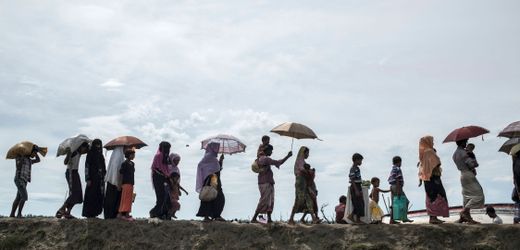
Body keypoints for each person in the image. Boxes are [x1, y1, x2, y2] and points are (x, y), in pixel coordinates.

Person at [251, 144, 292, 223]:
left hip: (265, 182)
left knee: (269, 200)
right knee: (265, 200)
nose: (272, 152)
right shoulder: (266, 159)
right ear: (267, 150)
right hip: (266, 182)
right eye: (271, 150)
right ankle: (254, 218)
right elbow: (278, 162)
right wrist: (288, 156)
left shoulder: (260, 158)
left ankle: (268, 219)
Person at [418, 136, 449, 224]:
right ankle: (433, 217)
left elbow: (422, 167)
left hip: (427, 179)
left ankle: (433, 217)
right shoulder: (429, 152)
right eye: (432, 141)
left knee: (431, 196)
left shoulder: (424, 153)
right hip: (433, 178)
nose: (433, 143)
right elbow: (436, 163)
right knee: (437, 196)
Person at [453, 139, 484, 224]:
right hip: (468, 174)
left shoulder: (455, 154)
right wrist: (472, 156)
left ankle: (465, 218)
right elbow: (473, 164)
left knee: (466, 196)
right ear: (462, 142)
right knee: (478, 195)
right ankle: (464, 211)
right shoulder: (464, 153)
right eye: (465, 142)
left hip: (462, 174)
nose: (466, 144)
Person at [56, 142, 89, 219]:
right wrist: (68, 154)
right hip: (70, 172)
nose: (85, 150)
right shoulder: (73, 152)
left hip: (75, 173)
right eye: (85, 148)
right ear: (81, 147)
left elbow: (87, 151)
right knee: (74, 193)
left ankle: (68, 212)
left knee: (78, 195)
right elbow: (65, 162)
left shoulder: (79, 152)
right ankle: (62, 209)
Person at [289, 147, 320, 224]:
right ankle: (291, 219)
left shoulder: (303, 161)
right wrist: (309, 171)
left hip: (304, 183)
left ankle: (314, 219)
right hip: (300, 183)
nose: (308, 155)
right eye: (307, 153)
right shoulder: (300, 161)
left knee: (308, 199)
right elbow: (302, 169)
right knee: (298, 200)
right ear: (304, 152)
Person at [196, 141, 226, 222]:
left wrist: (221, 160)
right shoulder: (210, 156)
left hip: (213, 178)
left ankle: (214, 215)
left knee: (213, 196)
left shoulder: (211, 157)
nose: (218, 149)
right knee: (214, 196)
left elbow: (217, 168)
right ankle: (214, 215)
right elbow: (212, 168)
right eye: (217, 147)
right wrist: (209, 174)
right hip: (212, 179)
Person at [10, 145, 41, 218]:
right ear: (30, 152)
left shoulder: (29, 160)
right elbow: (18, 166)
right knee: (24, 197)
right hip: (19, 179)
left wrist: (36, 153)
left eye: (35, 153)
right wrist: (22, 156)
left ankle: (12, 214)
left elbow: (38, 160)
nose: (34, 154)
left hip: (25, 180)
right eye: (34, 153)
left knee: (18, 197)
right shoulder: (19, 157)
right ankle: (19, 214)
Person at [82, 139, 106, 218]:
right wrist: (87, 178)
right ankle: (89, 214)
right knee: (91, 196)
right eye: (96, 144)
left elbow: (103, 167)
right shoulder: (90, 154)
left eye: (99, 144)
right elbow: (87, 166)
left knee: (98, 196)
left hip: (100, 180)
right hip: (92, 179)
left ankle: (95, 213)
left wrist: (104, 176)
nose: (98, 146)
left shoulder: (101, 155)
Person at [150, 141, 173, 219]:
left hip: (165, 178)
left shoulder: (166, 157)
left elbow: (168, 169)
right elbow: (156, 168)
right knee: (161, 197)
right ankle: (155, 213)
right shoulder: (158, 156)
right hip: (158, 178)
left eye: (168, 148)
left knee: (167, 197)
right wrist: (165, 174)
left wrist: (168, 176)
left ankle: (165, 214)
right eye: (166, 148)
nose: (168, 149)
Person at [388, 156, 413, 224]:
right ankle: (404, 218)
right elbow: (397, 179)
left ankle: (392, 219)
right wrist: (399, 190)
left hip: (392, 187)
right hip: (397, 187)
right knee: (406, 202)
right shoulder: (398, 168)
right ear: (399, 162)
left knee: (394, 203)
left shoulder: (393, 169)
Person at [104, 146, 125, 219]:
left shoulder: (114, 156)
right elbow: (117, 171)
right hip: (116, 182)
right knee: (113, 200)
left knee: (110, 199)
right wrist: (118, 183)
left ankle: (109, 215)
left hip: (111, 181)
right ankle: (112, 215)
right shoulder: (119, 157)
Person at [118, 149, 136, 221]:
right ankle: (121, 214)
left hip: (131, 183)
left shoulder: (132, 164)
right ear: (128, 155)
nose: (133, 156)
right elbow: (121, 173)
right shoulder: (124, 164)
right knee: (125, 198)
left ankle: (127, 214)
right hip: (125, 183)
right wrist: (120, 184)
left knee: (129, 199)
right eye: (132, 154)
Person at [347, 153, 365, 224]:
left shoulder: (357, 168)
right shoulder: (353, 169)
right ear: (356, 160)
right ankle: (357, 219)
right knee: (357, 203)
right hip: (355, 187)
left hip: (358, 186)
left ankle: (352, 216)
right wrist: (356, 190)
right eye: (360, 160)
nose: (361, 162)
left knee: (360, 203)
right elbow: (352, 180)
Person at [168, 153, 187, 219]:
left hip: (175, 190)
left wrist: (180, 190)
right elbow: (168, 177)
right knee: (172, 203)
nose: (177, 162)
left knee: (175, 204)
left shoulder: (177, 169)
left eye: (178, 161)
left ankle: (172, 214)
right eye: (175, 160)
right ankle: (169, 215)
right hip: (170, 189)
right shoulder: (168, 167)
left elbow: (178, 183)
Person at [512, 151, 520, 224]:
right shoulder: (518, 161)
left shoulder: (516, 160)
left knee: (518, 202)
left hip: (517, 184)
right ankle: (516, 218)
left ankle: (516, 218)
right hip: (519, 184)